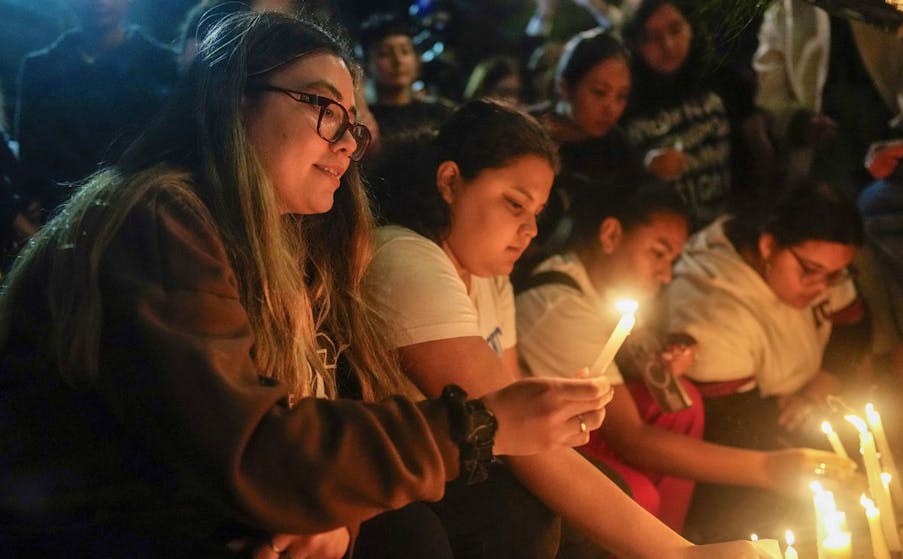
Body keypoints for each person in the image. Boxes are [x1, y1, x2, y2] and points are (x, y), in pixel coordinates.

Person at [0, 12, 617, 558]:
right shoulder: (159, 219)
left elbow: (322, 410)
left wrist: (335, 515)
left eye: (354, 123)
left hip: (196, 495)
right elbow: (248, 449)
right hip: (92, 520)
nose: (348, 143)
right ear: (235, 99)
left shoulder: (291, 243)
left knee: (473, 521)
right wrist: (478, 425)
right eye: (325, 109)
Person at [364, 98, 773, 558]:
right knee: (524, 520)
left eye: (536, 212)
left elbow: (512, 395)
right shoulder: (406, 259)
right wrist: (679, 553)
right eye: (514, 204)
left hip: (469, 461)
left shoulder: (488, 274)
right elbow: (505, 428)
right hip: (400, 475)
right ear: (451, 181)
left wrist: (555, 410)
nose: (530, 230)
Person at [514, 187, 855, 534]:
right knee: (638, 494)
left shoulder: (604, 287)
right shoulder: (557, 309)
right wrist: (770, 469)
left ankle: (668, 538)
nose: (666, 275)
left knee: (683, 404)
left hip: (587, 425)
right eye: (658, 254)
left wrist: (665, 356)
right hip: (539, 443)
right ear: (611, 234)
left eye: (672, 260)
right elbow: (629, 438)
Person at [657, 181, 864, 542]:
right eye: (810, 271)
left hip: (794, 408)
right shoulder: (710, 309)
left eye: (834, 275)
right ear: (768, 244)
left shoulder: (817, 268)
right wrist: (789, 415)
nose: (822, 287)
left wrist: (816, 391)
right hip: (737, 461)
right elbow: (737, 426)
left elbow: (854, 332)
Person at [752, 0, 903, 189]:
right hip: (829, 154)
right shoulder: (781, 16)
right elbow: (770, 96)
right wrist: (801, 122)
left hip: (902, 131)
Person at [14, 0, 177, 221]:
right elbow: (29, 150)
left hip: (139, 213)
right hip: (59, 214)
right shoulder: (41, 68)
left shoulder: (163, 65)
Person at [525, 28, 647, 254]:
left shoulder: (618, 150)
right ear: (565, 87)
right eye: (600, 92)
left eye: (621, 96)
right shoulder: (524, 134)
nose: (611, 107)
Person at [620, 0, 738, 228]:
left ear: (690, 27)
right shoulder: (624, 99)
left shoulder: (722, 79)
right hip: (662, 238)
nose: (668, 44)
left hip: (723, 231)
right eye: (653, 37)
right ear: (635, 44)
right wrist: (646, 167)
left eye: (675, 29)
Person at [359, 11, 452, 140]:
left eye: (405, 51)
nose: (398, 61)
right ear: (367, 65)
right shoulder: (363, 123)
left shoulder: (440, 115)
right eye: (384, 54)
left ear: (417, 60)